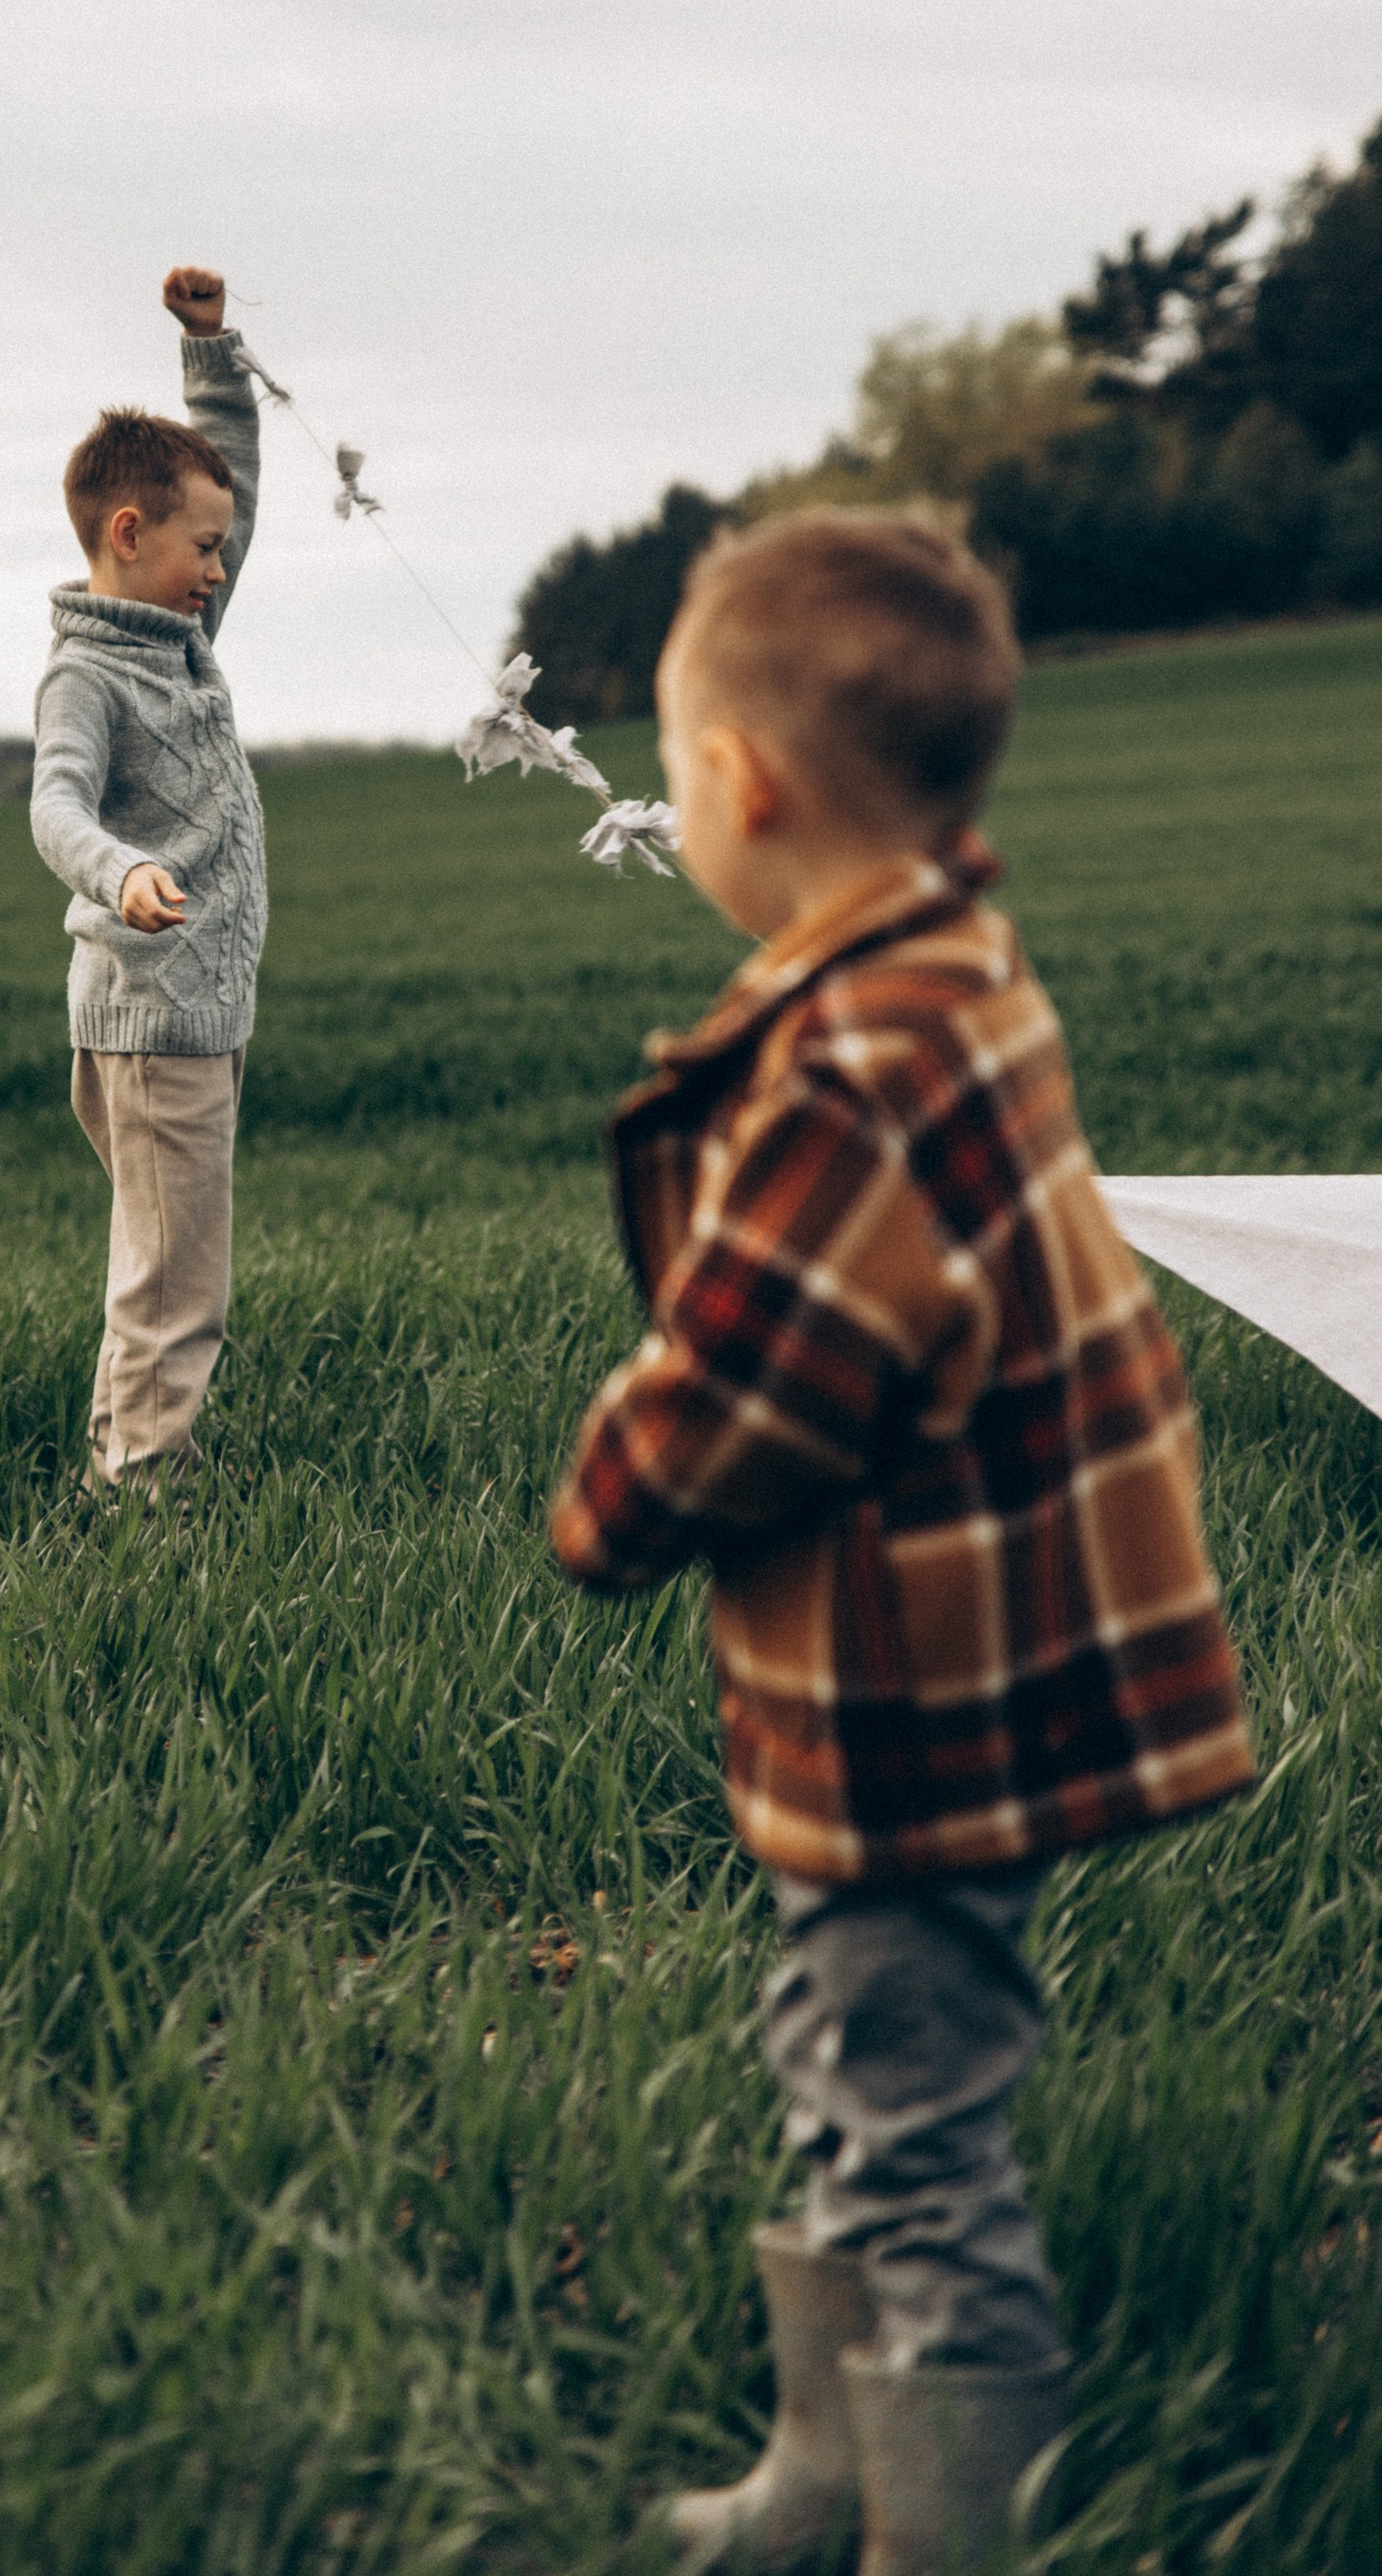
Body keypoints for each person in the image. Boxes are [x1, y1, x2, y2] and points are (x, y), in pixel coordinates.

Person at [546, 509, 1254, 2576]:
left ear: (737, 783)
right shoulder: (954, 967)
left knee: (906, 2107)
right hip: (980, 1647)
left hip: (917, 1694)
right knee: (849, 2046)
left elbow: (752, 1381)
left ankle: (946, 2526)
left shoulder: (852, 1072)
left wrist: (602, 1501)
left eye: (672, 764)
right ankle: (829, 2473)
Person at [30, 266, 267, 1497]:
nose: (219, 570)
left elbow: (227, 476)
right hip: (153, 1017)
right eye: (202, 550)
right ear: (131, 535)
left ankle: (125, 1467)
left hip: (192, 1016)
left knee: (161, 1261)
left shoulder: (179, 645)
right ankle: (139, 1501)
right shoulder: (91, 677)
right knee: (176, 1282)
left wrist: (212, 354)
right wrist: (121, 875)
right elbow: (55, 806)